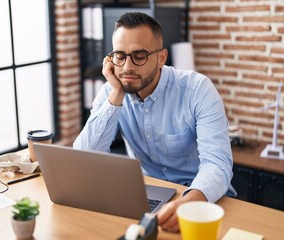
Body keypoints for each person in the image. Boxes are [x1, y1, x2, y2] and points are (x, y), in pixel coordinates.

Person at [73, 12, 236, 232]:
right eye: (120, 56)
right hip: (145, 198)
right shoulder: (111, 91)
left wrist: (189, 202)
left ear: (161, 57)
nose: (127, 67)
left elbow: (217, 164)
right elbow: (84, 159)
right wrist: (116, 94)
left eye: (139, 56)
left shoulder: (197, 90)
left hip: (200, 198)